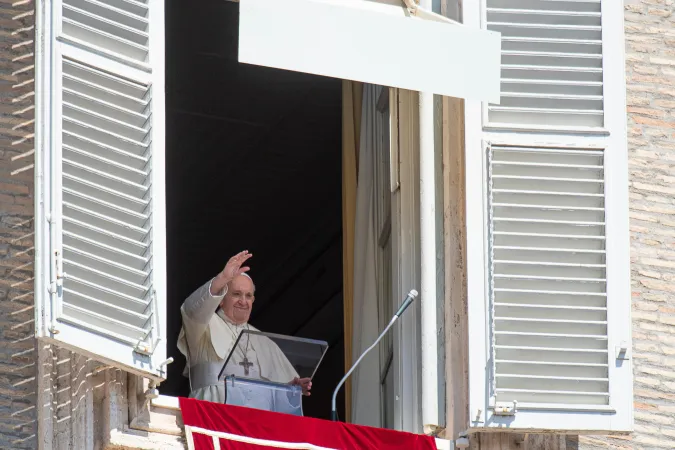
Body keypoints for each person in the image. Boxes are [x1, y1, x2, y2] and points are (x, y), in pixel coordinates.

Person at [177, 250, 312, 414]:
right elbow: (192, 310)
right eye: (236, 294)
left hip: (257, 424)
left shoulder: (265, 342)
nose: (243, 301)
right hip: (214, 414)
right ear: (221, 299)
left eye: (248, 296)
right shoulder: (203, 325)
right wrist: (222, 279)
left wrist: (292, 389)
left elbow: (279, 395)